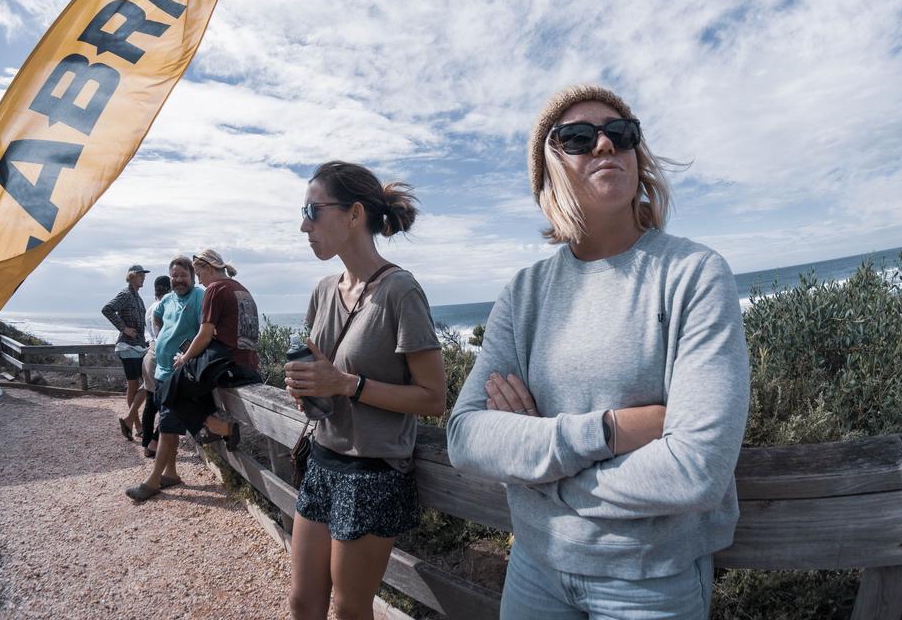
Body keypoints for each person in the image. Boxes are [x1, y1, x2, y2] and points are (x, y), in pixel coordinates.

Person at [447, 84, 750, 619]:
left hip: (651, 582)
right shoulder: (525, 292)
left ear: (638, 155)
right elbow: (466, 436)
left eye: (621, 134)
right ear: (549, 172)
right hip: (535, 569)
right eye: (580, 138)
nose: (605, 145)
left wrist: (537, 470)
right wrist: (610, 430)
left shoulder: (694, 275)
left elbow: (697, 467)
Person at [285, 161, 446, 620]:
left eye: (311, 211)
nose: (304, 225)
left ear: (354, 214)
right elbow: (326, 378)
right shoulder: (322, 291)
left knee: (349, 608)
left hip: (373, 473)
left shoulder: (400, 291)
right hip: (321, 458)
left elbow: (433, 398)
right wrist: (308, 388)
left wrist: (346, 384)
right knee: (302, 602)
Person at [162, 248, 263, 445]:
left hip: (227, 366)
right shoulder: (241, 288)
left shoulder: (216, 288)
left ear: (208, 268)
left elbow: (205, 335)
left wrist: (184, 358)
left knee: (167, 391)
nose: (199, 281)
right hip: (248, 366)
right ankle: (215, 428)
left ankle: (219, 427)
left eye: (199, 274)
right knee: (190, 388)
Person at [125, 256, 203, 501]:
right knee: (167, 424)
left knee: (168, 428)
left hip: (180, 375)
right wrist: (161, 336)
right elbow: (157, 316)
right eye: (174, 276)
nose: (178, 280)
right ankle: (171, 472)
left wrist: (188, 350)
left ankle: (153, 481)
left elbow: (206, 328)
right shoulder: (167, 299)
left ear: (192, 276)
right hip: (161, 372)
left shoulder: (198, 296)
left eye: (183, 276)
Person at [102, 264, 150, 440]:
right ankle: (137, 425)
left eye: (143, 275)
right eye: (140, 275)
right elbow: (107, 309)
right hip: (127, 347)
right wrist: (124, 329)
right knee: (134, 386)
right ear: (131, 276)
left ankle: (131, 422)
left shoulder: (137, 297)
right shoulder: (125, 294)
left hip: (138, 346)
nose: (143, 277)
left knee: (147, 382)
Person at [138, 274, 171, 458]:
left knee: (151, 403)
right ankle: (154, 441)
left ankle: (147, 445)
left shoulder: (150, 308)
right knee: (170, 402)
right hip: (160, 355)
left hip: (149, 354)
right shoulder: (165, 306)